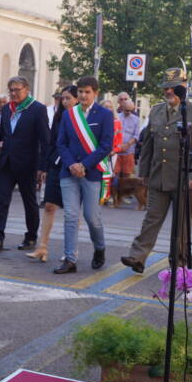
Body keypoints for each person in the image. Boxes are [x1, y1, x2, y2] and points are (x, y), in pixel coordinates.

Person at [120, 68, 192, 274]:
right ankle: (137, 256)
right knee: (151, 218)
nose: (168, 91)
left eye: (173, 88)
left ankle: (179, 262)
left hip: (184, 179)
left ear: (184, 88)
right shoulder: (156, 111)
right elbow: (148, 145)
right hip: (158, 176)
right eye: (166, 88)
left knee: (181, 225)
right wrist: (142, 172)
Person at [53, 76, 114, 274]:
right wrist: (71, 164)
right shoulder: (69, 115)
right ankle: (70, 258)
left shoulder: (104, 114)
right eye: (80, 92)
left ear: (95, 93)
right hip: (69, 171)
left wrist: (84, 165)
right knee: (70, 215)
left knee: (91, 217)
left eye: (87, 92)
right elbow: (61, 143)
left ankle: (99, 247)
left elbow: (106, 145)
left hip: (92, 172)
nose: (83, 95)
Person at [0, 76, 48, 253]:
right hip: (7, 163)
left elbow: (45, 140)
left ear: (27, 89)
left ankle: (31, 237)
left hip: (28, 164)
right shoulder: (6, 109)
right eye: (11, 90)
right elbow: (2, 134)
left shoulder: (37, 109)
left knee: (29, 202)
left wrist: (42, 167)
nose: (13, 93)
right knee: (2, 201)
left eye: (17, 90)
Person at [27, 86, 78, 263]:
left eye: (68, 98)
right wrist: (44, 167)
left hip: (75, 168)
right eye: (62, 98)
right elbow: (50, 143)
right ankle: (42, 247)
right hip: (56, 165)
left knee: (72, 212)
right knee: (49, 205)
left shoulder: (82, 118)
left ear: (77, 99)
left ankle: (71, 250)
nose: (64, 101)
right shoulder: (59, 117)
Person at [115, 93, 141, 182]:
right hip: (116, 152)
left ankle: (124, 195)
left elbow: (136, 135)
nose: (128, 112)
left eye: (131, 110)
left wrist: (127, 145)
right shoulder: (116, 117)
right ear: (123, 108)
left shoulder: (136, 119)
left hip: (129, 152)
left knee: (126, 176)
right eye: (126, 110)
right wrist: (118, 146)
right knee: (115, 175)